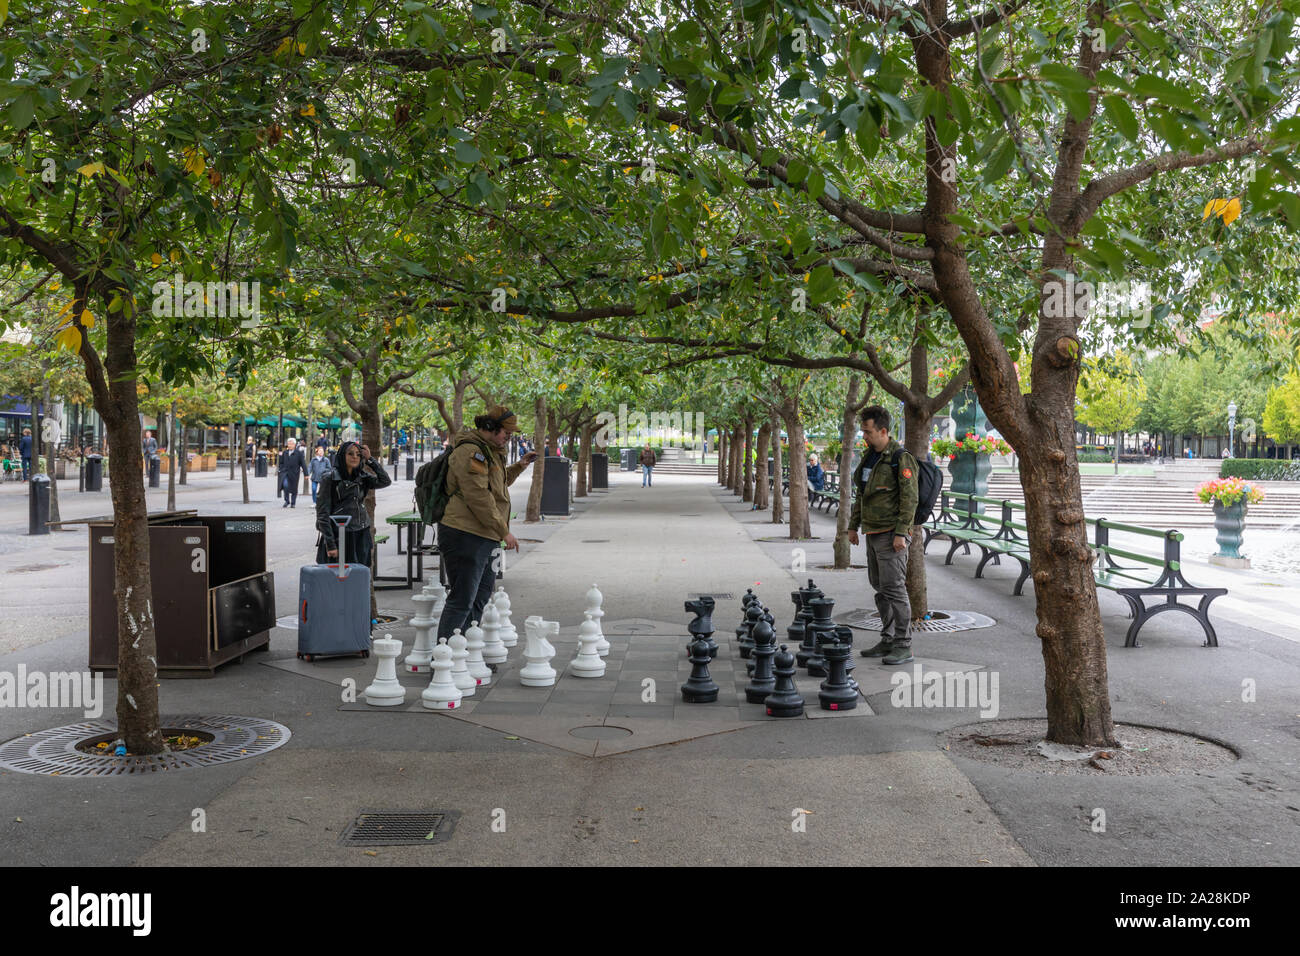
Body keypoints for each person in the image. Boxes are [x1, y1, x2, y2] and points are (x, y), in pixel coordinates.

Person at [436, 407, 537, 642]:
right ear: (490, 428)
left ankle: (467, 653)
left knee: (480, 598)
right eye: (507, 433)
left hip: (484, 535)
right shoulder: (471, 452)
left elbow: (497, 485)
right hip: (464, 534)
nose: (509, 438)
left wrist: (519, 466)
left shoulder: (490, 452)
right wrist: (504, 531)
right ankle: (443, 661)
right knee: (462, 599)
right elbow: (478, 496)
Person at [847, 405, 919, 666]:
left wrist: (901, 533)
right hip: (873, 531)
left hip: (892, 535)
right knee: (880, 588)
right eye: (863, 432)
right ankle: (887, 638)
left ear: (883, 431)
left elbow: (910, 499)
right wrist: (853, 526)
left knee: (894, 589)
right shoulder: (869, 458)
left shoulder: (900, 457)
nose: (863, 436)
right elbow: (862, 496)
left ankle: (904, 645)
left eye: (867, 432)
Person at [314, 441, 391, 566]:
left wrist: (370, 459)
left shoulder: (362, 476)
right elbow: (322, 513)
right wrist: (330, 544)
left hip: (361, 534)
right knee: (337, 578)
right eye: (350, 454)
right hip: (339, 535)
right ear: (342, 456)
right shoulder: (330, 478)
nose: (355, 457)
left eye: (358, 454)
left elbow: (385, 481)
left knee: (359, 576)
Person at [277, 437, 307, 508]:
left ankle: (293, 503)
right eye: (288, 444)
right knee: (285, 485)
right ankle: (287, 501)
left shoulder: (299, 453)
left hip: (294, 474)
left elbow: (303, 464)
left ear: (294, 445)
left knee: (294, 488)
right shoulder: (285, 453)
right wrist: (281, 469)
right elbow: (281, 463)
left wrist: (306, 474)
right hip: (285, 473)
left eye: (291, 444)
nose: (289, 445)